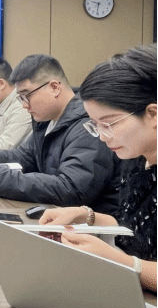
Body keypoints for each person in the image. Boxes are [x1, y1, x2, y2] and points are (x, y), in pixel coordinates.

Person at [39, 44, 157, 292]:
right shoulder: (135, 157)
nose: (102, 137)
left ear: (153, 114)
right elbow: (136, 230)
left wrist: (122, 263)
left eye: (109, 124)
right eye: (95, 125)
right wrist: (87, 216)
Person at [0, 54, 121, 214]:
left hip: (87, 223)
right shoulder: (46, 120)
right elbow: (24, 157)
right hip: (56, 214)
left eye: (26, 96)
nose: (24, 105)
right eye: (20, 98)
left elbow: (72, 189)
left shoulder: (87, 126)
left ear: (54, 88)